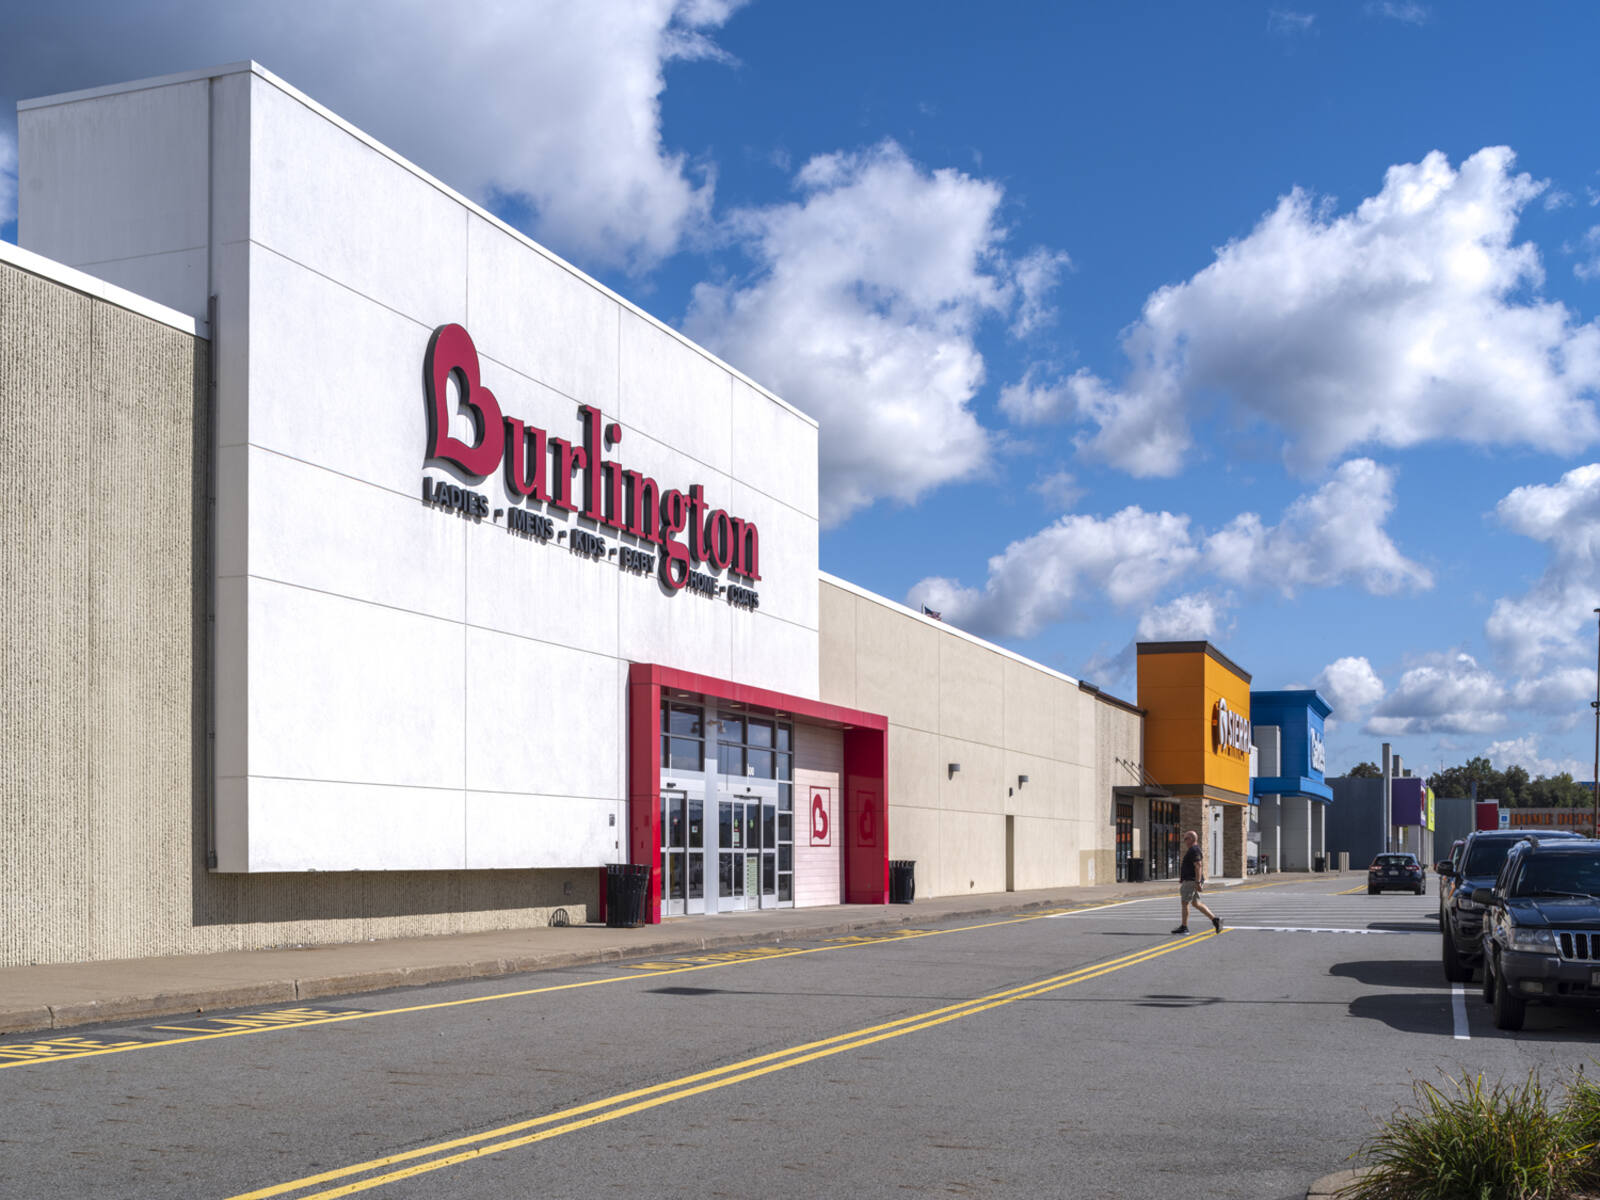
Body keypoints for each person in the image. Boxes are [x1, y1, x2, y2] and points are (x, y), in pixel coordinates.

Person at [1172, 830, 1222, 935]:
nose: (1184, 841)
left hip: (1191, 881)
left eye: (1185, 839)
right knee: (1196, 903)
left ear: (1191, 839)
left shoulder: (1194, 850)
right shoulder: (1193, 849)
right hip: (1191, 880)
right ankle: (1215, 920)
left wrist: (1198, 882)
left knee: (1185, 903)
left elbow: (1198, 865)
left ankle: (1184, 927)